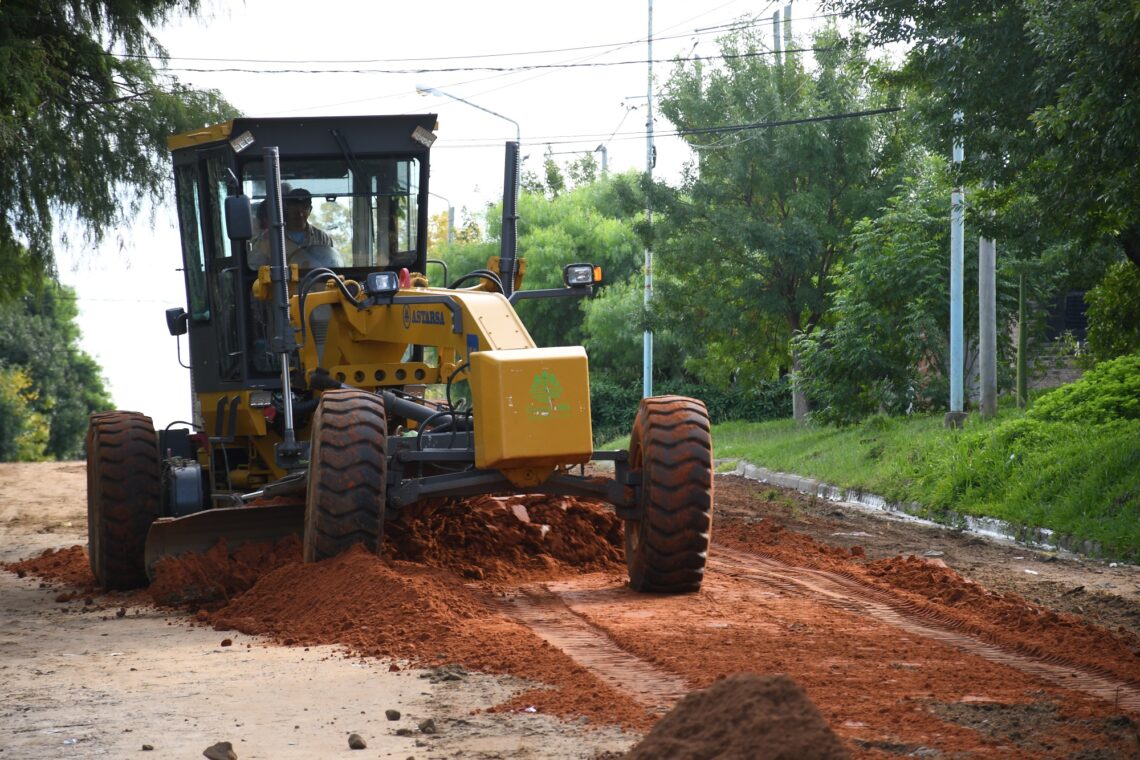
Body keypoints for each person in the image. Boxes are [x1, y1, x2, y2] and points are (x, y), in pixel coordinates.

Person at [248, 187, 341, 269]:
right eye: (295, 209)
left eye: (304, 208)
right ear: (287, 208)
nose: (300, 214)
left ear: (310, 210)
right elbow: (255, 268)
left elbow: (332, 267)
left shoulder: (322, 238)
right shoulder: (270, 238)